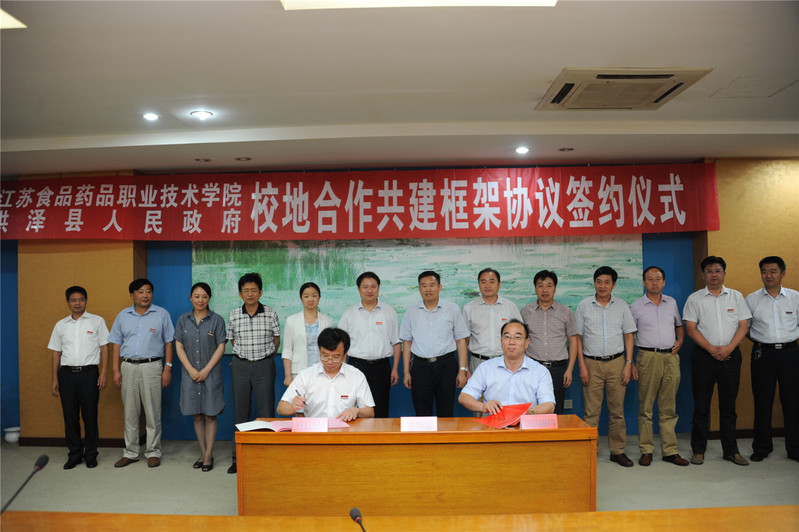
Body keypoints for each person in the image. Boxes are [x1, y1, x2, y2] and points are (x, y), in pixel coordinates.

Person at [683, 256, 751, 466]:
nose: (714, 275)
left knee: (728, 406)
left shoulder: (736, 297)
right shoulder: (694, 299)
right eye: (709, 271)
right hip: (704, 357)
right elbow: (691, 329)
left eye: (718, 270)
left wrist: (729, 348)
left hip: (731, 356)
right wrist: (712, 350)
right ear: (703, 274)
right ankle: (698, 450)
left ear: (724, 273)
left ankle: (731, 450)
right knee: (701, 405)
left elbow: (743, 325)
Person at [109, 279, 174, 468]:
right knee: (130, 412)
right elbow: (116, 343)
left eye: (148, 291)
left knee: (153, 412)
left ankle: (153, 451)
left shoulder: (162, 314)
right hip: (128, 366)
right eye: (140, 291)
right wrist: (115, 370)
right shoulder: (122, 316)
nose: (145, 295)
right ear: (132, 295)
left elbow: (169, 341)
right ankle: (130, 452)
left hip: (152, 366)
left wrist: (168, 368)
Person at [576, 266, 637, 467]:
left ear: (614, 284)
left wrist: (628, 363)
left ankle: (617, 451)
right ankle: (589, 451)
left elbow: (629, 335)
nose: (602, 286)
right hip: (591, 363)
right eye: (599, 281)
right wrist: (582, 366)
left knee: (617, 411)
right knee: (591, 412)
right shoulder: (584, 305)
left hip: (617, 363)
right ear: (594, 283)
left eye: (607, 282)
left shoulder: (622, 306)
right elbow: (577, 338)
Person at [630, 266, 688, 467]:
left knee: (668, 407)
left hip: (670, 358)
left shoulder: (671, 303)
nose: (654, 282)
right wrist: (632, 362)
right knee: (646, 407)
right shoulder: (636, 306)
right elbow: (628, 335)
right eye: (650, 279)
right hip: (647, 357)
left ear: (663, 282)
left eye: (658, 279)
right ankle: (646, 450)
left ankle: (670, 451)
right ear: (643, 282)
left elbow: (679, 326)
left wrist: (680, 341)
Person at [47, 286, 109, 469]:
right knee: (70, 416)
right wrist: (55, 379)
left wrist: (104, 372)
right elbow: (56, 353)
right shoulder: (60, 325)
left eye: (81, 299)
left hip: (89, 374)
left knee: (90, 416)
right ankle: (74, 454)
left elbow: (105, 347)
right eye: (73, 300)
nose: (77, 303)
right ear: (67, 302)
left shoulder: (97, 321)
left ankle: (91, 454)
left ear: (86, 301)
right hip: (66, 375)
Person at [745, 256, 799, 463]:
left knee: (792, 401)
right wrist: (761, 342)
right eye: (764, 271)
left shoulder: (795, 297)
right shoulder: (752, 299)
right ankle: (762, 447)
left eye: (773, 271)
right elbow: (745, 328)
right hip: (763, 354)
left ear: (783, 273)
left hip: (790, 353)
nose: (768, 275)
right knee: (762, 401)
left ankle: (794, 448)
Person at [227, 272, 280, 474]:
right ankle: (238, 458)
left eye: (254, 290)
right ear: (240, 294)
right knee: (241, 412)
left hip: (264, 365)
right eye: (246, 291)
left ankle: (268, 456)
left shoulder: (270, 313)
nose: (250, 294)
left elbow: (276, 340)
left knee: (266, 412)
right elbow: (233, 341)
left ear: (260, 292)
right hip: (240, 366)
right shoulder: (234, 314)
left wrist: (264, 358)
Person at [400, 270, 470, 417]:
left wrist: (462, 370)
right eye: (424, 285)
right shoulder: (412, 311)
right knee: (421, 412)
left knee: (446, 411)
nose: (428, 289)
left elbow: (461, 340)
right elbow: (407, 342)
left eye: (432, 285)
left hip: (446, 366)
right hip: (420, 366)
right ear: (419, 288)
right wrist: (406, 372)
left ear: (440, 287)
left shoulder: (452, 309)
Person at [174, 282, 227, 472]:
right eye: (197, 296)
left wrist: (206, 370)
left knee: (210, 414)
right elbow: (179, 345)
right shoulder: (183, 320)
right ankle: (203, 452)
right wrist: (190, 369)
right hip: (190, 375)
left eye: (204, 296)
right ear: (190, 298)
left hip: (210, 374)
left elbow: (221, 346)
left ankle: (208, 454)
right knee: (197, 415)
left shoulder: (217, 320)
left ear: (209, 298)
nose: (200, 300)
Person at [459, 319, 555, 415]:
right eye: (507, 337)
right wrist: (483, 407)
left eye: (517, 337)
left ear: (526, 343)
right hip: (493, 422)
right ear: (501, 341)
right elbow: (464, 397)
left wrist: (528, 412)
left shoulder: (540, 371)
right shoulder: (486, 368)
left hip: (526, 422)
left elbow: (549, 405)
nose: (511, 342)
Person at [338, 272, 401, 418]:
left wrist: (395, 369)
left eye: (373, 286)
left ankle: (381, 433)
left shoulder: (389, 311)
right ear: (359, 289)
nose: (369, 290)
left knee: (381, 407)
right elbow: (341, 346)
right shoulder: (349, 314)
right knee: (356, 408)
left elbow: (396, 342)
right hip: (356, 366)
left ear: (378, 288)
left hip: (381, 367)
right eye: (365, 287)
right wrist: (343, 370)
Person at [277, 328, 375, 420]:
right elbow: (280, 408)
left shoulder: (356, 376)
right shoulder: (306, 375)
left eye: (336, 357)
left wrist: (357, 411)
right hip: (314, 428)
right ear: (319, 351)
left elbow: (370, 412)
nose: (330, 361)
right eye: (325, 355)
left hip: (346, 428)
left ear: (345, 354)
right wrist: (292, 406)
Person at [520, 270, 578, 415]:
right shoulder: (526, 311)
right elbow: (521, 340)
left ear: (555, 289)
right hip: (533, 367)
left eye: (549, 286)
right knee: (532, 409)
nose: (544, 290)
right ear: (535, 289)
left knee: (556, 410)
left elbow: (573, 340)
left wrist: (570, 369)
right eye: (540, 286)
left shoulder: (566, 311)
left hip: (558, 369)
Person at [462, 268, 521, 373]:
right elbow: (464, 341)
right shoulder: (469, 308)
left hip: (506, 362)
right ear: (479, 285)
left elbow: (520, 336)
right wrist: (465, 369)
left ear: (499, 284)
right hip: (478, 363)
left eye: (492, 282)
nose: (487, 286)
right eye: (483, 282)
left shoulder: (510, 307)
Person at [282, 282, 334, 385]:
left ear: (319, 298)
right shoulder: (291, 321)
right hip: (298, 371)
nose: (310, 299)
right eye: (306, 296)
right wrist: (288, 376)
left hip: (323, 370)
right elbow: (287, 350)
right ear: (301, 298)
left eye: (314, 296)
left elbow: (332, 348)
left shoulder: (328, 320)